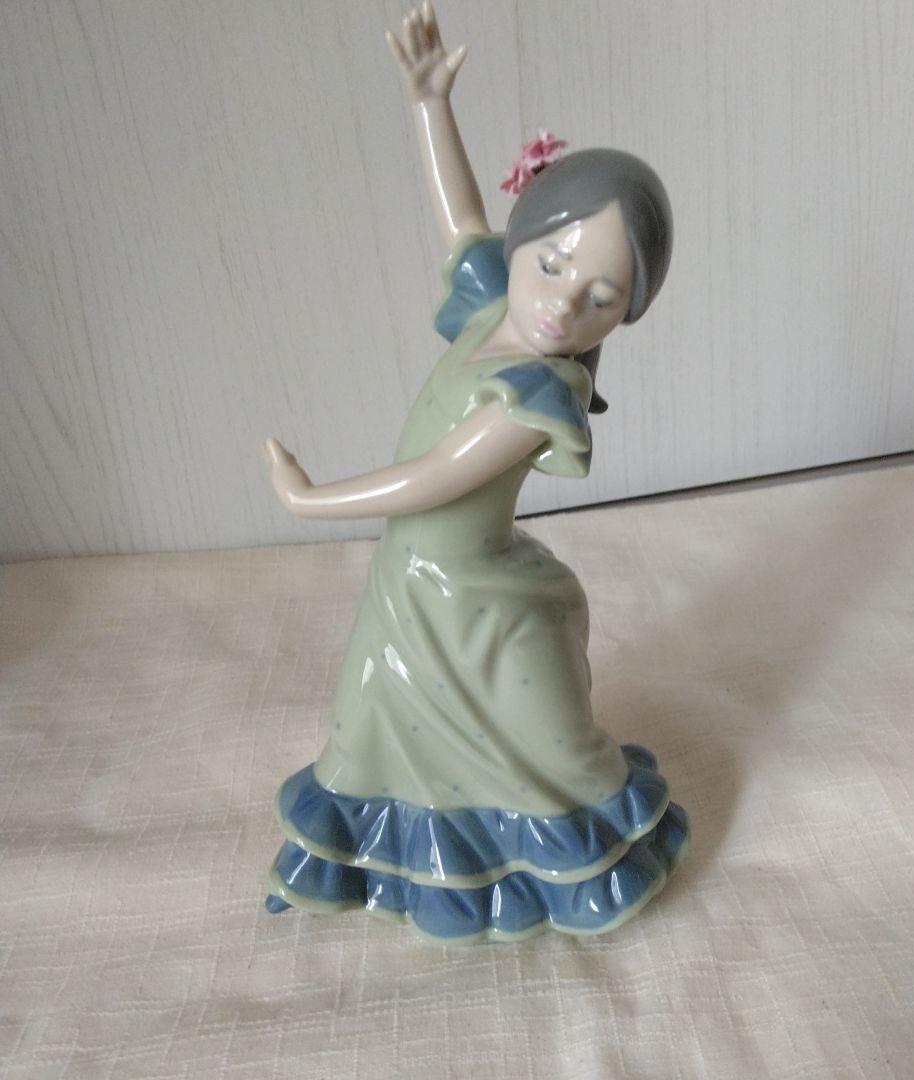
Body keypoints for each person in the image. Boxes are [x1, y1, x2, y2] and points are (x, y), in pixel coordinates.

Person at [260, 1, 688, 942]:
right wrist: (430, 104)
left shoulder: (540, 389)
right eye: (553, 264)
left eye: (602, 297)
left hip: (477, 603)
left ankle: (582, 871)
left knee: (554, 755)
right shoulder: (495, 299)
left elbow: (433, 478)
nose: (562, 304)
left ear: (623, 315)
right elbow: (460, 218)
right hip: (407, 589)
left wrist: (309, 500)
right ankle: (352, 869)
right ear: (525, 239)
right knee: (366, 727)